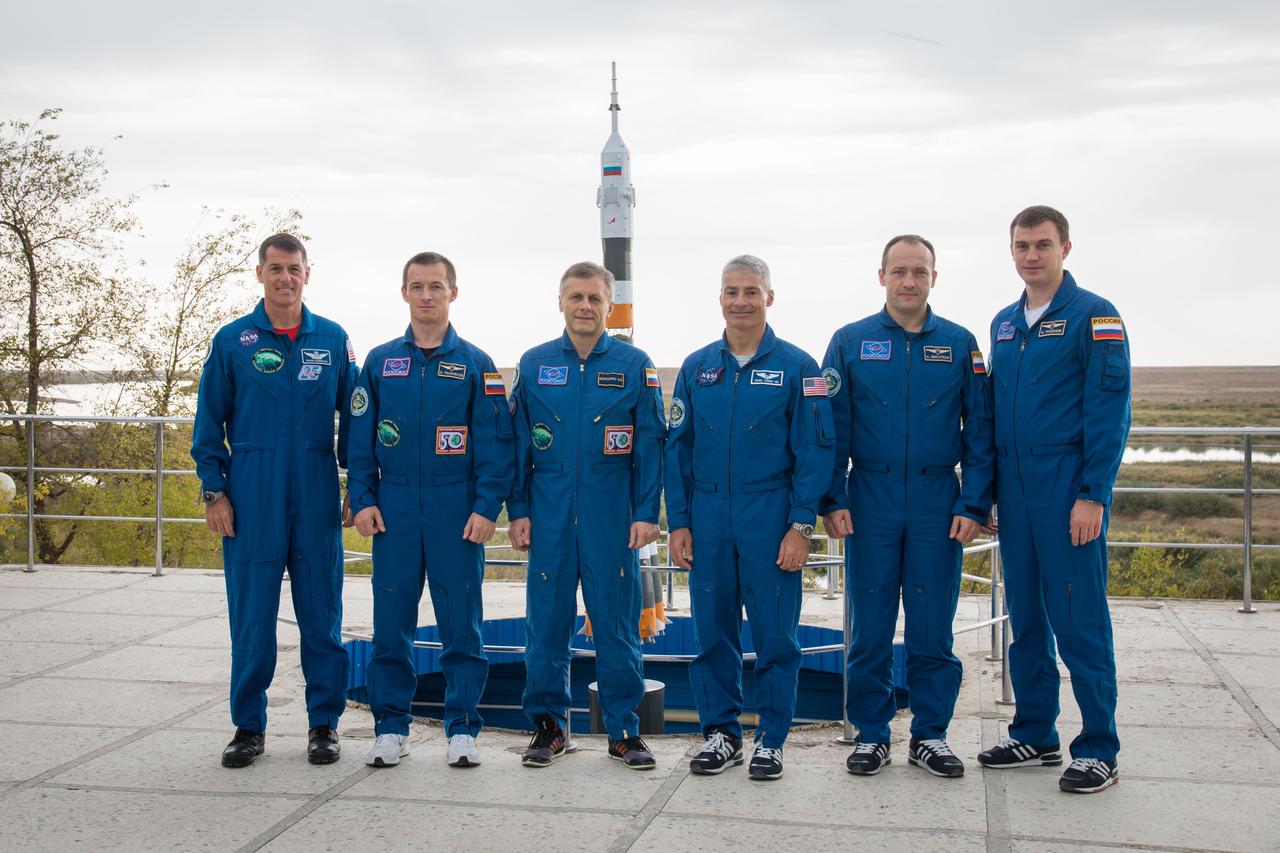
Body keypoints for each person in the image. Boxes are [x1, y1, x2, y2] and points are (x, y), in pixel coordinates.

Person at [820, 236, 994, 779]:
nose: (909, 281)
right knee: (869, 627)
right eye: (899, 271)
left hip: (938, 501)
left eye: (919, 271)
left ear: (934, 278)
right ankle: (872, 735)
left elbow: (981, 430)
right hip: (869, 499)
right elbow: (830, 427)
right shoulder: (850, 342)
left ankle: (930, 735)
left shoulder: (961, 344)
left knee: (932, 627)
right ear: (882, 277)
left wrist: (974, 500)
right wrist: (832, 497)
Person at [977, 205, 1130, 794]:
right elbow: (991, 414)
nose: (1032, 255)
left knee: (1079, 618)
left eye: (1043, 244)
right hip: (1014, 492)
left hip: (1068, 487)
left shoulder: (1096, 316)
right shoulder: (1004, 323)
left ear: (1066, 249)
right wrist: (989, 489)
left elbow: (1109, 411)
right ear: (1011, 252)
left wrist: (1094, 493)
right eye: (1022, 246)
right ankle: (1036, 733)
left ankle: (1098, 747)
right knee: (1028, 619)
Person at [665, 255, 834, 781]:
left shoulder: (799, 367)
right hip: (710, 516)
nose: (741, 300)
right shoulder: (697, 368)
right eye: (732, 291)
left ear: (769, 298)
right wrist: (681, 522)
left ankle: (771, 740)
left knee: (776, 635)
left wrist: (801, 524)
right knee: (713, 632)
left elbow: (816, 450)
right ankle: (721, 733)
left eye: (752, 291)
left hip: (771, 515)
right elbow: (677, 448)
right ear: (720, 297)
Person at [192, 233, 358, 768]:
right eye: (275, 268)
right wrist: (215, 492)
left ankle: (324, 724)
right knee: (252, 619)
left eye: (294, 268)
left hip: (313, 492)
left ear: (308, 274)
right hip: (251, 495)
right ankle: (248, 727)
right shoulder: (233, 341)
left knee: (322, 617)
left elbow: (355, 419)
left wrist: (358, 487)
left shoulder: (331, 339)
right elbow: (207, 424)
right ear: (259, 273)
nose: (285, 278)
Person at [346, 252, 514, 769]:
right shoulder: (378, 363)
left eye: (436, 286)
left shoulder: (476, 364)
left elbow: (495, 444)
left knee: (461, 626)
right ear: (404, 293)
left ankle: (462, 729)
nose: (426, 295)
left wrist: (488, 508)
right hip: (393, 508)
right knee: (391, 623)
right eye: (416, 286)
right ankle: (390, 727)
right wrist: (363, 498)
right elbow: (357, 440)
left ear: (452, 294)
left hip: (455, 509)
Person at [506, 261, 665, 770]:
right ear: (560, 301)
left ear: (609, 304)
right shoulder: (533, 366)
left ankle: (623, 731)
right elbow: (517, 448)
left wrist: (646, 513)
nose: (585, 307)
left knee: (617, 628)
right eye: (575, 297)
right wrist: (520, 511)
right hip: (550, 521)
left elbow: (651, 448)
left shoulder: (635, 364)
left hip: (612, 521)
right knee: (546, 628)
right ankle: (549, 727)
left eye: (595, 298)